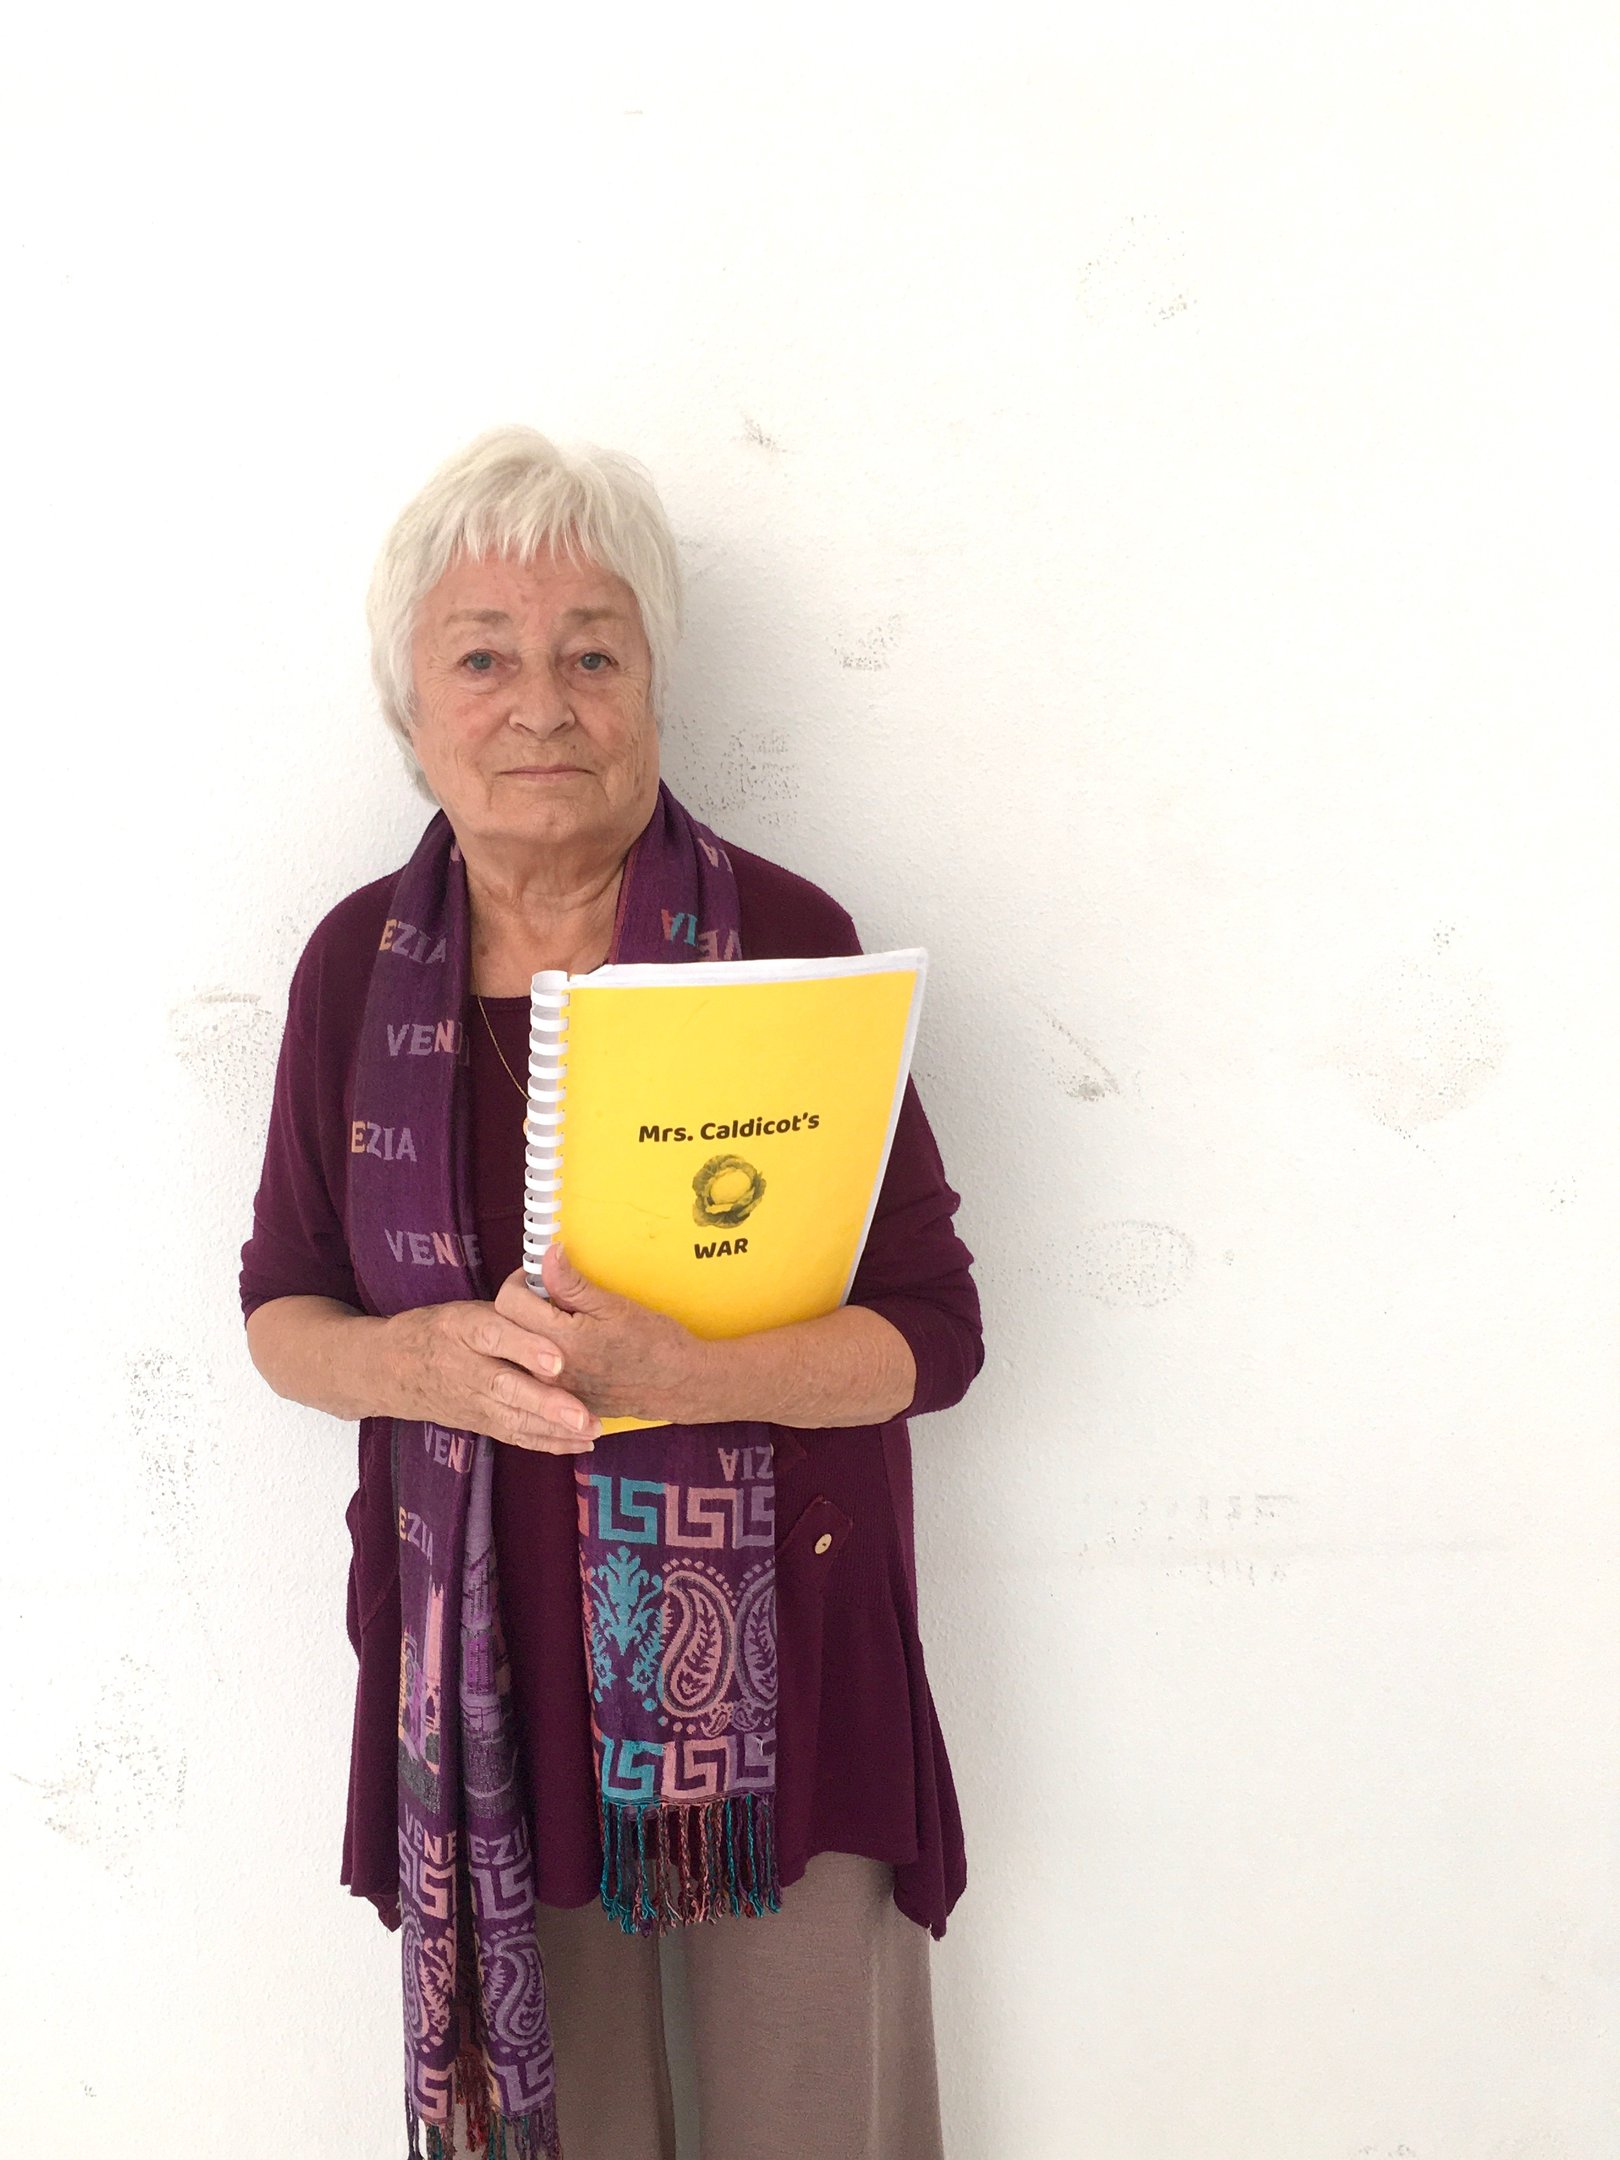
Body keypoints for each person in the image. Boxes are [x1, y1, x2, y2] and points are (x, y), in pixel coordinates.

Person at [240, 424, 983, 2160]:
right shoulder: (354, 967)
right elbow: (284, 1312)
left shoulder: (788, 942)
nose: (542, 705)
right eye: (482, 658)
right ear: (409, 703)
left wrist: (686, 1368)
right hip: (481, 1677)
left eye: (592, 653)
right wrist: (417, 1362)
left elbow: (933, 1333)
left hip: (779, 1677)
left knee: (819, 2126)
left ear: (653, 685)